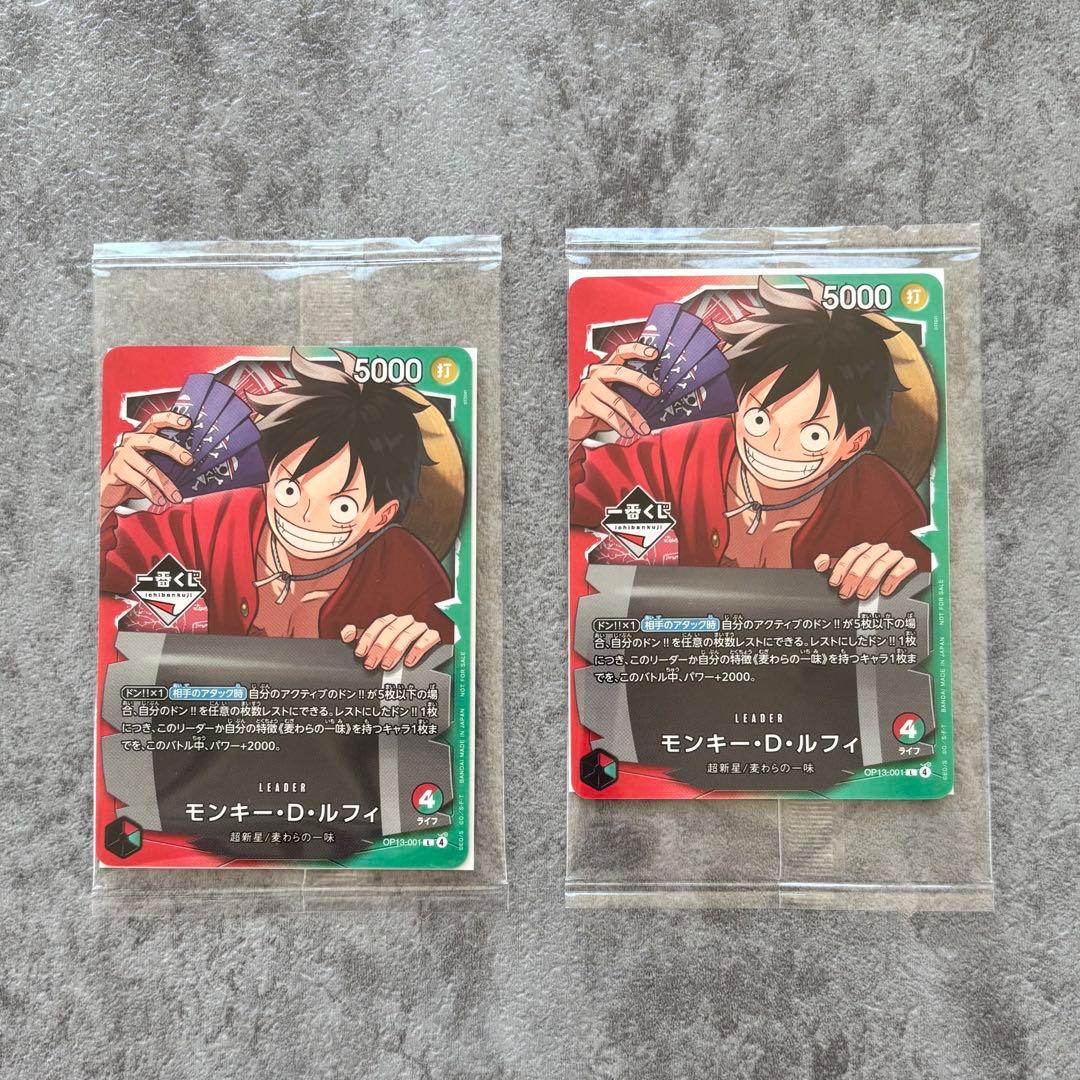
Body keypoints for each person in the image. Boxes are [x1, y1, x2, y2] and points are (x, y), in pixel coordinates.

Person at [569, 277, 930, 600]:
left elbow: (928, 592)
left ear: (853, 443)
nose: (775, 445)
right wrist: (571, 432)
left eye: (813, 434)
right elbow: (574, 503)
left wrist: (900, 572)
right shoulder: (685, 453)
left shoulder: (882, 502)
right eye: (759, 419)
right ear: (736, 407)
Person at [100, 349, 452, 668]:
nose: (305, 516)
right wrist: (103, 499)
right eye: (289, 490)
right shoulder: (221, 520)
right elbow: (104, 570)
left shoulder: (409, 574)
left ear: (381, 516)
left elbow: (450, 669)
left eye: (342, 507)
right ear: (267, 477)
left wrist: (422, 645)